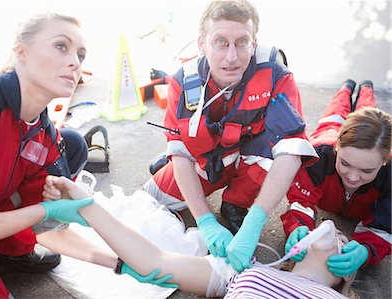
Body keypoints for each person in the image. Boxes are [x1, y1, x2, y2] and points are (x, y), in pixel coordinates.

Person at [0, 13, 171, 298]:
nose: (75, 62)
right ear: (21, 51)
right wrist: (46, 210)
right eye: (61, 46)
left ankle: (5, 249)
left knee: (71, 147)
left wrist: (119, 265)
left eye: (81, 54)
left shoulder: (41, 130)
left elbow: (48, 225)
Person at [143, 0, 318, 271]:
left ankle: (235, 204)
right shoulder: (182, 80)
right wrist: (204, 221)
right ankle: (167, 166)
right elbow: (179, 150)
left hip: (249, 156)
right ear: (202, 44)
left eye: (242, 42)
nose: (232, 58)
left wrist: (256, 222)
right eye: (220, 42)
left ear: (254, 42)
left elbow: (292, 151)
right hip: (205, 158)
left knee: (277, 154)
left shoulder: (276, 75)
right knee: (153, 202)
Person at [41, 174, 359, 298]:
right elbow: (153, 261)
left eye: (344, 244)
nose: (334, 234)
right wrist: (87, 206)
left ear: (344, 278)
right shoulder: (242, 271)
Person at [281, 79, 391, 277]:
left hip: (365, 139)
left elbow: (385, 228)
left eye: (367, 171)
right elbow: (300, 203)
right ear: (337, 147)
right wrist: (297, 227)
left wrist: (366, 251)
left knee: (370, 114)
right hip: (329, 130)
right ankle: (346, 88)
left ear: (385, 161)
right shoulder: (316, 158)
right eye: (345, 164)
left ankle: (366, 88)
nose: (353, 177)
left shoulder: (389, 177)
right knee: (335, 111)